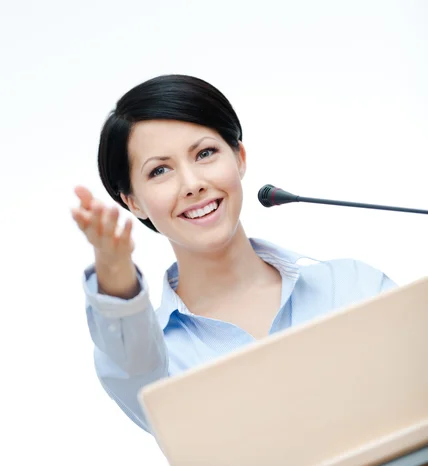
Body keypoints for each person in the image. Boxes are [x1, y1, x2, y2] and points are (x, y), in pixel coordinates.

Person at [72, 74, 396, 434]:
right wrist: (115, 272)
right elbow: (132, 367)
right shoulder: (153, 358)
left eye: (205, 153)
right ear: (133, 202)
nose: (192, 183)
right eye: (160, 170)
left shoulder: (353, 287)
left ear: (239, 157)